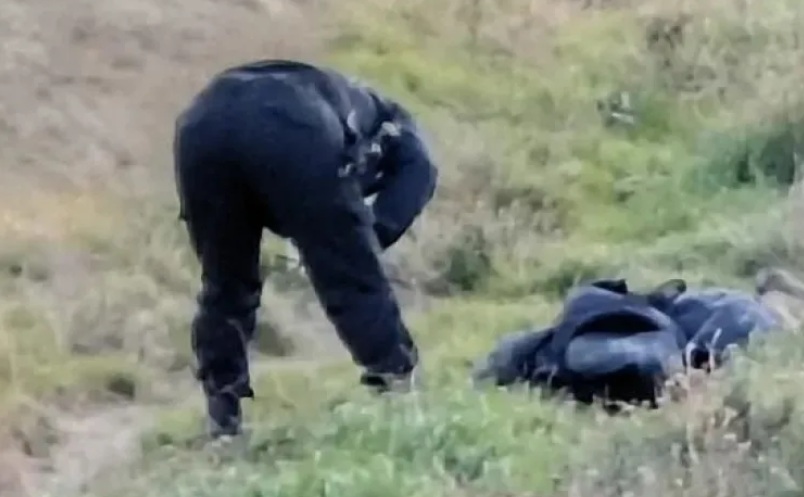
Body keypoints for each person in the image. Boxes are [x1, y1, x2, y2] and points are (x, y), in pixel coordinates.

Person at [172, 59, 438, 438]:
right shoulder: (401, 131)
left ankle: (222, 418)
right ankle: (398, 386)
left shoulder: (346, 103)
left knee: (225, 282)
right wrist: (367, 237)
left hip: (202, 124)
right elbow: (418, 175)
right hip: (290, 120)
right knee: (352, 272)